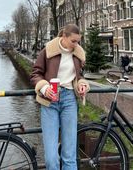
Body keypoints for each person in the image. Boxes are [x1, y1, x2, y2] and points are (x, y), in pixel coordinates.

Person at [30, 24, 90, 170]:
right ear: (64, 37)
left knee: (69, 155)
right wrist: (44, 87)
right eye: (73, 41)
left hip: (69, 99)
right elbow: (35, 74)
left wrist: (82, 84)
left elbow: (79, 75)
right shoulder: (48, 50)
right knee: (51, 157)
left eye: (78, 41)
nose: (76, 45)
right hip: (50, 101)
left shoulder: (78, 53)